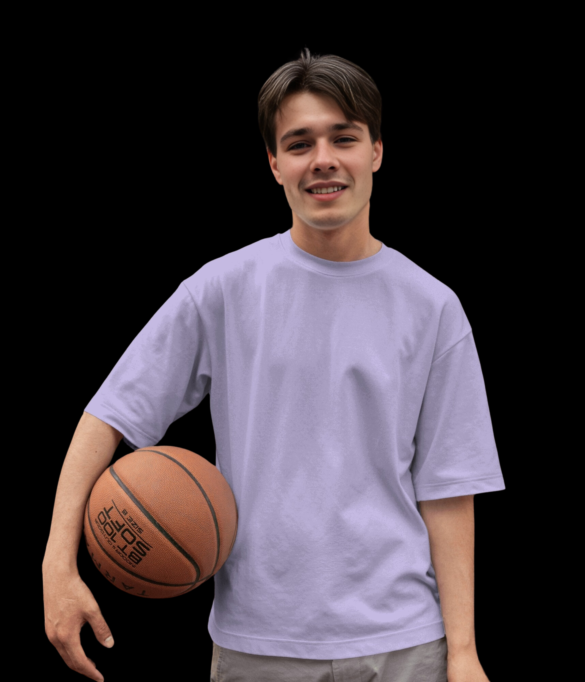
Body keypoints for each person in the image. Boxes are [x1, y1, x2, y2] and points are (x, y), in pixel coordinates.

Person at [43, 48, 505, 682]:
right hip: (259, 645)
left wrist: (464, 651)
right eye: (299, 142)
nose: (323, 159)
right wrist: (56, 568)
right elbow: (109, 416)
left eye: (344, 137)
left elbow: (449, 488)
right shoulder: (222, 289)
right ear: (274, 163)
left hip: (403, 645)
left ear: (376, 151)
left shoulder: (433, 308)